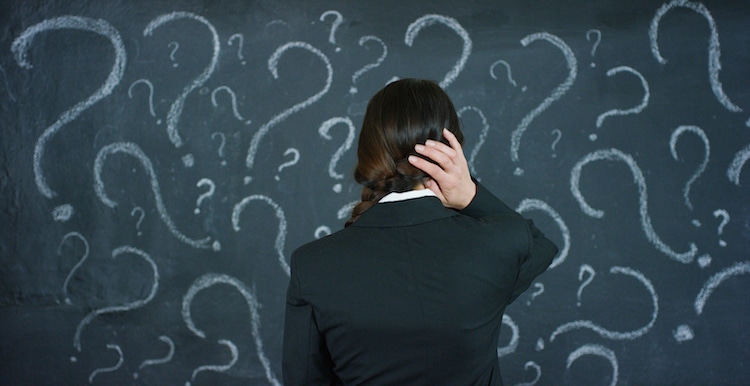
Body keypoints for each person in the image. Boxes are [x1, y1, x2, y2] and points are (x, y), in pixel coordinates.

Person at [282, 78, 559, 385]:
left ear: (368, 152)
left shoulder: (312, 265)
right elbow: (540, 246)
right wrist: (470, 195)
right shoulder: (499, 243)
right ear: (452, 150)